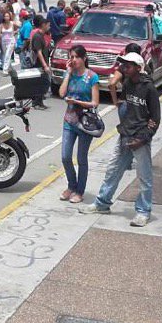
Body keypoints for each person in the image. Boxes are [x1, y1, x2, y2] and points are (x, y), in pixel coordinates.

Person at [81, 52, 159, 227]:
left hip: (140, 137)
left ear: (138, 68)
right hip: (125, 134)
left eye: (128, 66)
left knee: (144, 176)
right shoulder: (128, 83)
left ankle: (143, 211)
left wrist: (143, 138)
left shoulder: (149, 89)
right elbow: (126, 107)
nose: (123, 68)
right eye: (123, 65)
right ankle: (102, 203)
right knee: (113, 170)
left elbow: (155, 118)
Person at [58, 45, 99, 204]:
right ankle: (71, 185)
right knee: (65, 157)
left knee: (81, 158)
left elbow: (95, 102)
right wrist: (68, 73)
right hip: (69, 121)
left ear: (84, 58)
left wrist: (78, 102)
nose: (73, 60)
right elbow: (61, 93)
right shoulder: (70, 74)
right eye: (71, 57)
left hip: (85, 123)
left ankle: (79, 190)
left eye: (76, 57)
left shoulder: (92, 77)